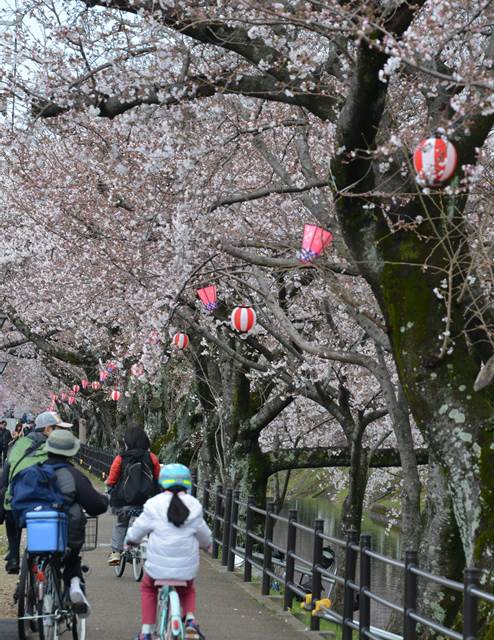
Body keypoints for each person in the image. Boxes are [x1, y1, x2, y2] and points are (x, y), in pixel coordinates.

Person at [126, 463, 211, 640]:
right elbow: (204, 536)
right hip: (185, 569)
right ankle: (190, 621)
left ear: (162, 482)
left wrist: (130, 541)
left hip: (157, 569)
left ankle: (147, 632)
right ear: (187, 483)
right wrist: (207, 545)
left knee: (148, 588)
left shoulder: (153, 504)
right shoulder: (194, 505)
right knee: (188, 589)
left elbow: (138, 529)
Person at [44, 429, 108, 616]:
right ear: (71, 452)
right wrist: (104, 500)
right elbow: (95, 504)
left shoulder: (36, 471)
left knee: (40, 554)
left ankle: (35, 590)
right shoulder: (73, 475)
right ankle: (74, 585)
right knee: (71, 559)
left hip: (39, 529)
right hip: (68, 530)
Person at [0, 411, 73, 573]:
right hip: (43, 504)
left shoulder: (19, 444)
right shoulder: (53, 447)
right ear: (47, 429)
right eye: (58, 428)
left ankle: (13, 556)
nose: (62, 432)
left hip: (15, 501)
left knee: (12, 516)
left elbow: (6, 473)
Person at [105, 427, 160, 566]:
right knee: (148, 524)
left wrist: (110, 488)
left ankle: (116, 554)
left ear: (127, 442)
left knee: (121, 524)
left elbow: (112, 479)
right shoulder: (152, 457)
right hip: (147, 501)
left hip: (124, 501)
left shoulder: (120, 458)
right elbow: (159, 477)